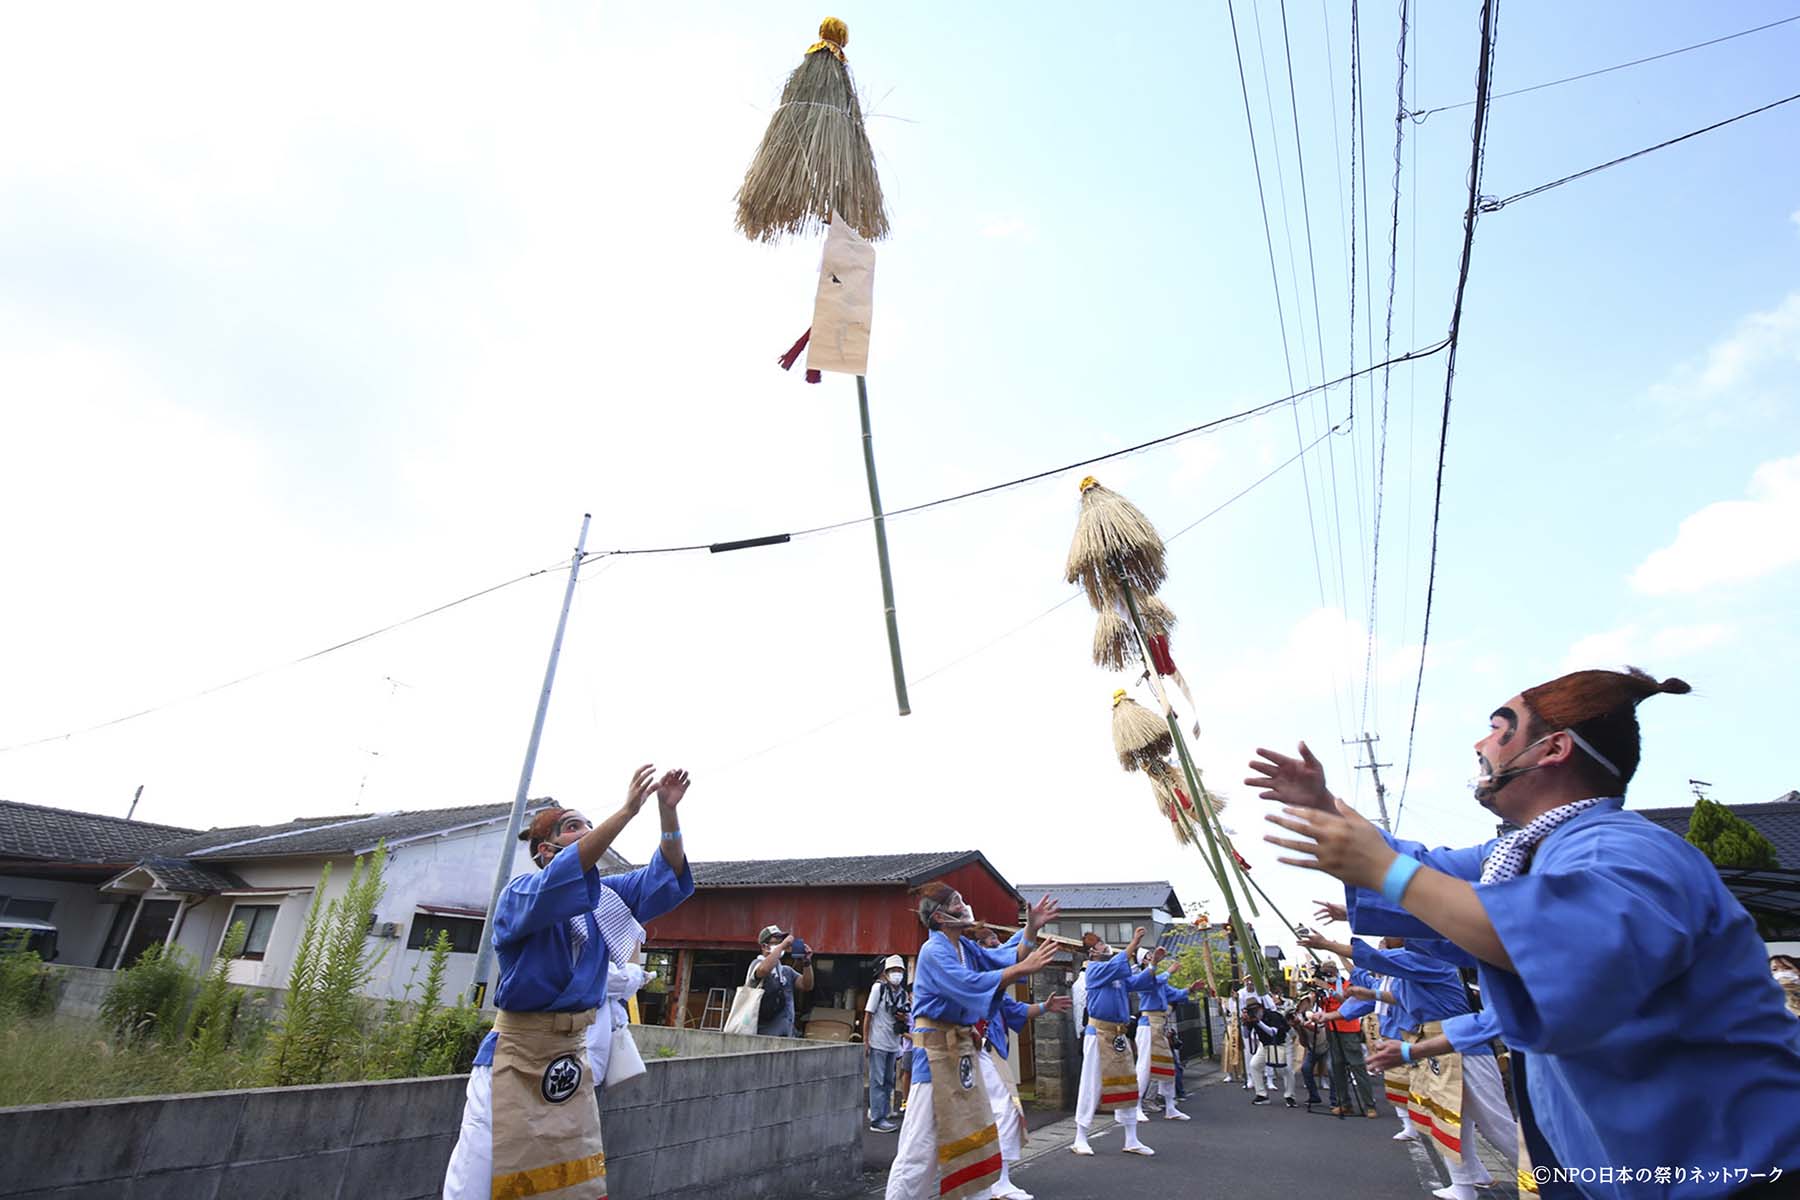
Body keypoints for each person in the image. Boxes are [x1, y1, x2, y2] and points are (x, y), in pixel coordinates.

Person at [1251, 666, 1800, 1199]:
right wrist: (1324, 807)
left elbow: (1544, 942)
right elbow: (1428, 870)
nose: (1479, 743)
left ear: (1553, 749)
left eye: (1499, 726)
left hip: (1743, 1168)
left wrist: (1386, 872)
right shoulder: (1516, 854)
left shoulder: (1625, 850)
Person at [442, 766, 694, 1200]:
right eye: (574, 826)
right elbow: (564, 877)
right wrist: (626, 812)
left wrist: (665, 812)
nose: (588, 832)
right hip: (516, 1057)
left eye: (590, 826)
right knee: (482, 1173)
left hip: (572, 1059)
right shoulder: (519, 895)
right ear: (546, 849)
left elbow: (666, 874)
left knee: (569, 1178)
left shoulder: (605, 898)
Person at [1308, 927, 1517, 1200]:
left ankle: (1554, 1177)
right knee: (1448, 1118)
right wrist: (1370, 995)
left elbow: (1373, 958)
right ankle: (1466, 1184)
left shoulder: (1425, 958)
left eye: (1386, 939)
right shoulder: (1412, 967)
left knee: (1494, 1124)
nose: (1383, 947)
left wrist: (1327, 943)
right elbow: (1397, 994)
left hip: (1463, 1048)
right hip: (1435, 1047)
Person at [885, 886, 1059, 1200]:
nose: (966, 906)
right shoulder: (934, 951)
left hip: (964, 1049)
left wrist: (1031, 928)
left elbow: (1002, 958)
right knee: (920, 1146)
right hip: (935, 1054)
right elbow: (968, 983)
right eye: (957, 903)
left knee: (976, 1131)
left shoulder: (966, 946)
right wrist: (1020, 969)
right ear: (940, 916)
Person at [971, 920, 1069, 1200]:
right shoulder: (976, 973)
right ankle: (993, 1181)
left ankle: (995, 1180)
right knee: (1003, 1112)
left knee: (996, 1115)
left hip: (989, 1054)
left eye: (997, 942)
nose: (996, 946)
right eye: (990, 941)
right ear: (978, 949)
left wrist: (1045, 1007)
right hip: (974, 1052)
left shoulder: (994, 984)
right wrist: (1030, 930)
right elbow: (1010, 955)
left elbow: (1015, 1009)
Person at [1071, 927, 1162, 1157]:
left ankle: (1131, 1138)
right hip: (1098, 1032)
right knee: (1092, 1083)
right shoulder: (1093, 970)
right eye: (1101, 944)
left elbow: (1137, 982)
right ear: (1092, 952)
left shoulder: (1116, 972)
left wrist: (1153, 966)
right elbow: (1118, 964)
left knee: (1127, 1083)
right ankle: (1080, 1136)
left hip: (1119, 1034)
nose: (1106, 946)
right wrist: (1134, 943)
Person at [1131, 948, 1207, 1120]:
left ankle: (1170, 1106)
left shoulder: (1159, 980)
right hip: (1147, 1025)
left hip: (1158, 1025)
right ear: (1144, 961)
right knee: (1144, 1067)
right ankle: (1135, 1105)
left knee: (1167, 1066)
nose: (1153, 956)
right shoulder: (1142, 978)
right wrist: (1168, 971)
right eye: (1149, 956)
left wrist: (1190, 989)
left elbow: (1174, 994)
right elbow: (1153, 982)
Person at [1312, 955, 1377, 1118]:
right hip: (1331, 1029)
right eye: (1324, 972)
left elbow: (1345, 1000)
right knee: (1337, 1066)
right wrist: (1320, 991)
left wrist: (1329, 988)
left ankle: (1369, 1104)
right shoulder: (1325, 987)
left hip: (1349, 1028)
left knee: (1357, 1065)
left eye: (1329, 971)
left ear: (1334, 970)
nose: (1327, 974)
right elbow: (1322, 1005)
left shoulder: (1347, 984)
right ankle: (1344, 1103)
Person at [864, 954, 910, 1133]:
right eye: (893, 971)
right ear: (886, 972)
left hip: (893, 1042)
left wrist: (903, 1017)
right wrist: (866, 1040)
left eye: (899, 971)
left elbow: (904, 1017)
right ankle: (877, 1120)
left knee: (888, 1081)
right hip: (878, 1041)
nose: (897, 974)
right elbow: (868, 1014)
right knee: (877, 1080)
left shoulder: (902, 993)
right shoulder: (878, 989)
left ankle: (883, 1113)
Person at [749, 924, 813, 1037]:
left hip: (786, 1032)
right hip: (763, 1034)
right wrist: (783, 945)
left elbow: (806, 985)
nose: (780, 945)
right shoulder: (757, 964)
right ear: (764, 946)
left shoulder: (786, 971)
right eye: (776, 942)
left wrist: (807, 962)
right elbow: (763, 970)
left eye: (781, 941)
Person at [1243, 996, 1297, 1107]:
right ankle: (1262, 1095)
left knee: (1286, 1069)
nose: (1254, 1012)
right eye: (1251, 1011)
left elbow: (1273, 1032)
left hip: (1283, 1043)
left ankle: (1290, 1096)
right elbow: (1245, 1035)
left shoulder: (1273, 1015)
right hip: (1265, 1044)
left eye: (1256, 1009)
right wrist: (1245, 1023)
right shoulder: (1251, 1019)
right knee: (1254, 1065)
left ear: (1261, 1008)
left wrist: (1258, 1022)